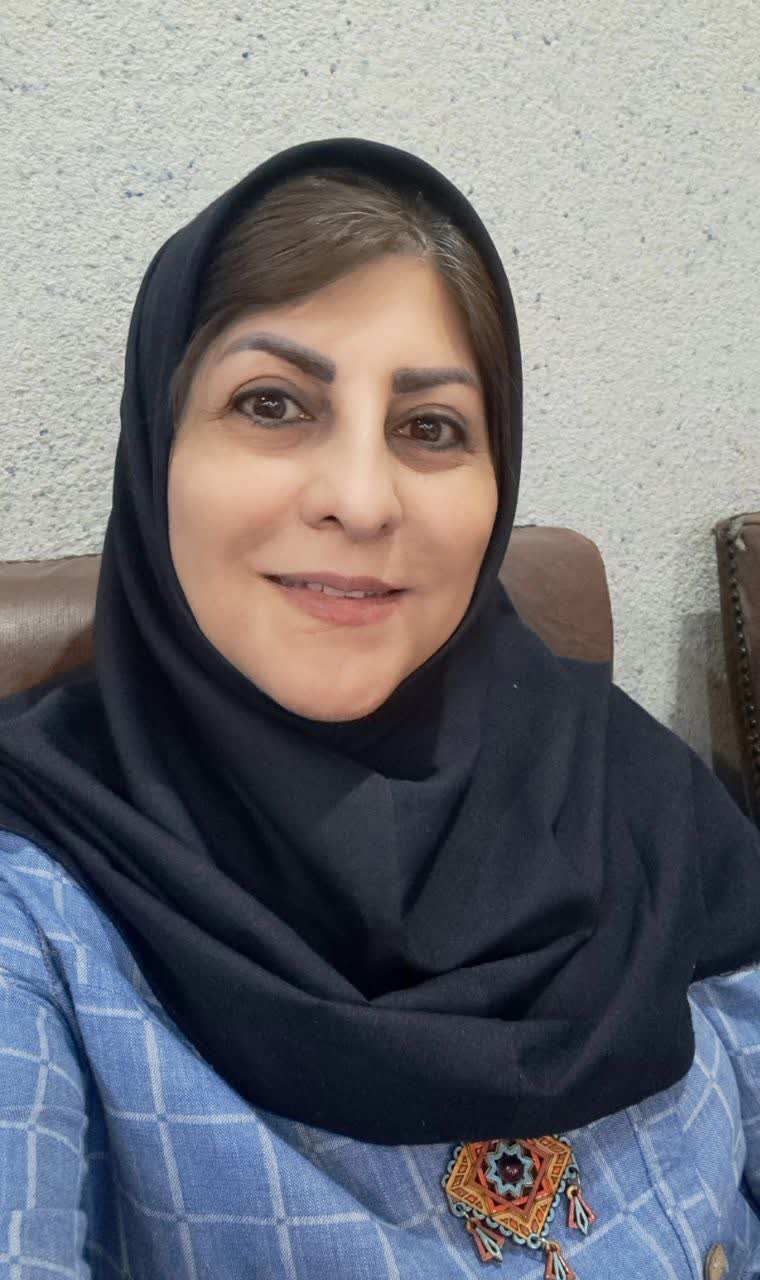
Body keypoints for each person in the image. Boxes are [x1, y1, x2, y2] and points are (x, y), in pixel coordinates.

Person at [0, 137, 759, 1280]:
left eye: (431, 426)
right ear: (157, 451)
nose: (361, 500)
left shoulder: (625, 775)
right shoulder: (41, 906)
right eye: (271, 403)